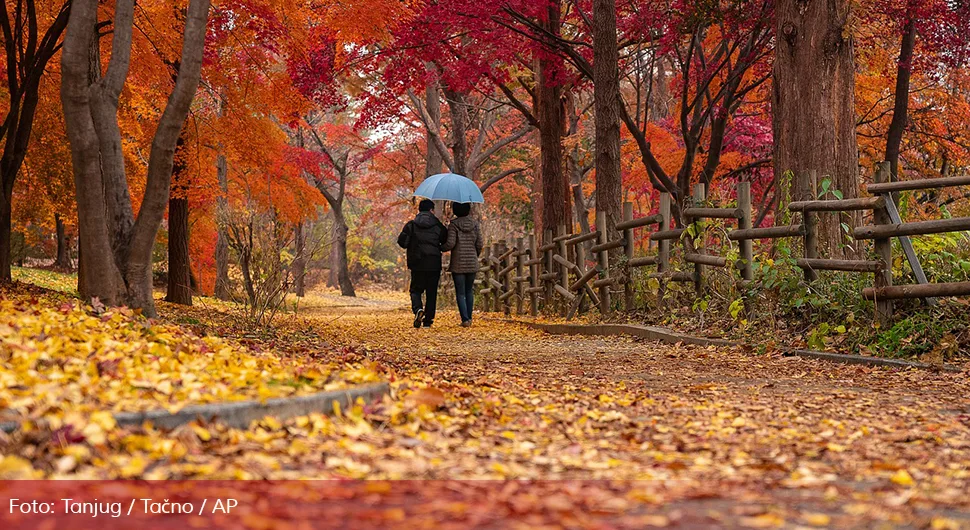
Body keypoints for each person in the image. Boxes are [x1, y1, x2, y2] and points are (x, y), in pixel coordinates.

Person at [398, 199, 447, 328]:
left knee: (415, 290)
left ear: (419, 210)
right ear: (431, 210)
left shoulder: (411, 225)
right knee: (431, 292)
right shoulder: (438, 226)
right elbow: (445, 240)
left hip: (417, 263)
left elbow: (402, 242)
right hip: (433, 263)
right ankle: (428, 320)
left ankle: (418, 309)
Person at [442, 202, 483, 327]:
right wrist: (474, 255)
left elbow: (450, 244)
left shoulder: (454, 225)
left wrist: (440, 247)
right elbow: (479, 244)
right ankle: (469, 318)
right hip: (472, 262)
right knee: (469, 291)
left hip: (458, 263)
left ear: (455, 210)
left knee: (460, 292)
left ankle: (465, 319)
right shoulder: (475, 224)